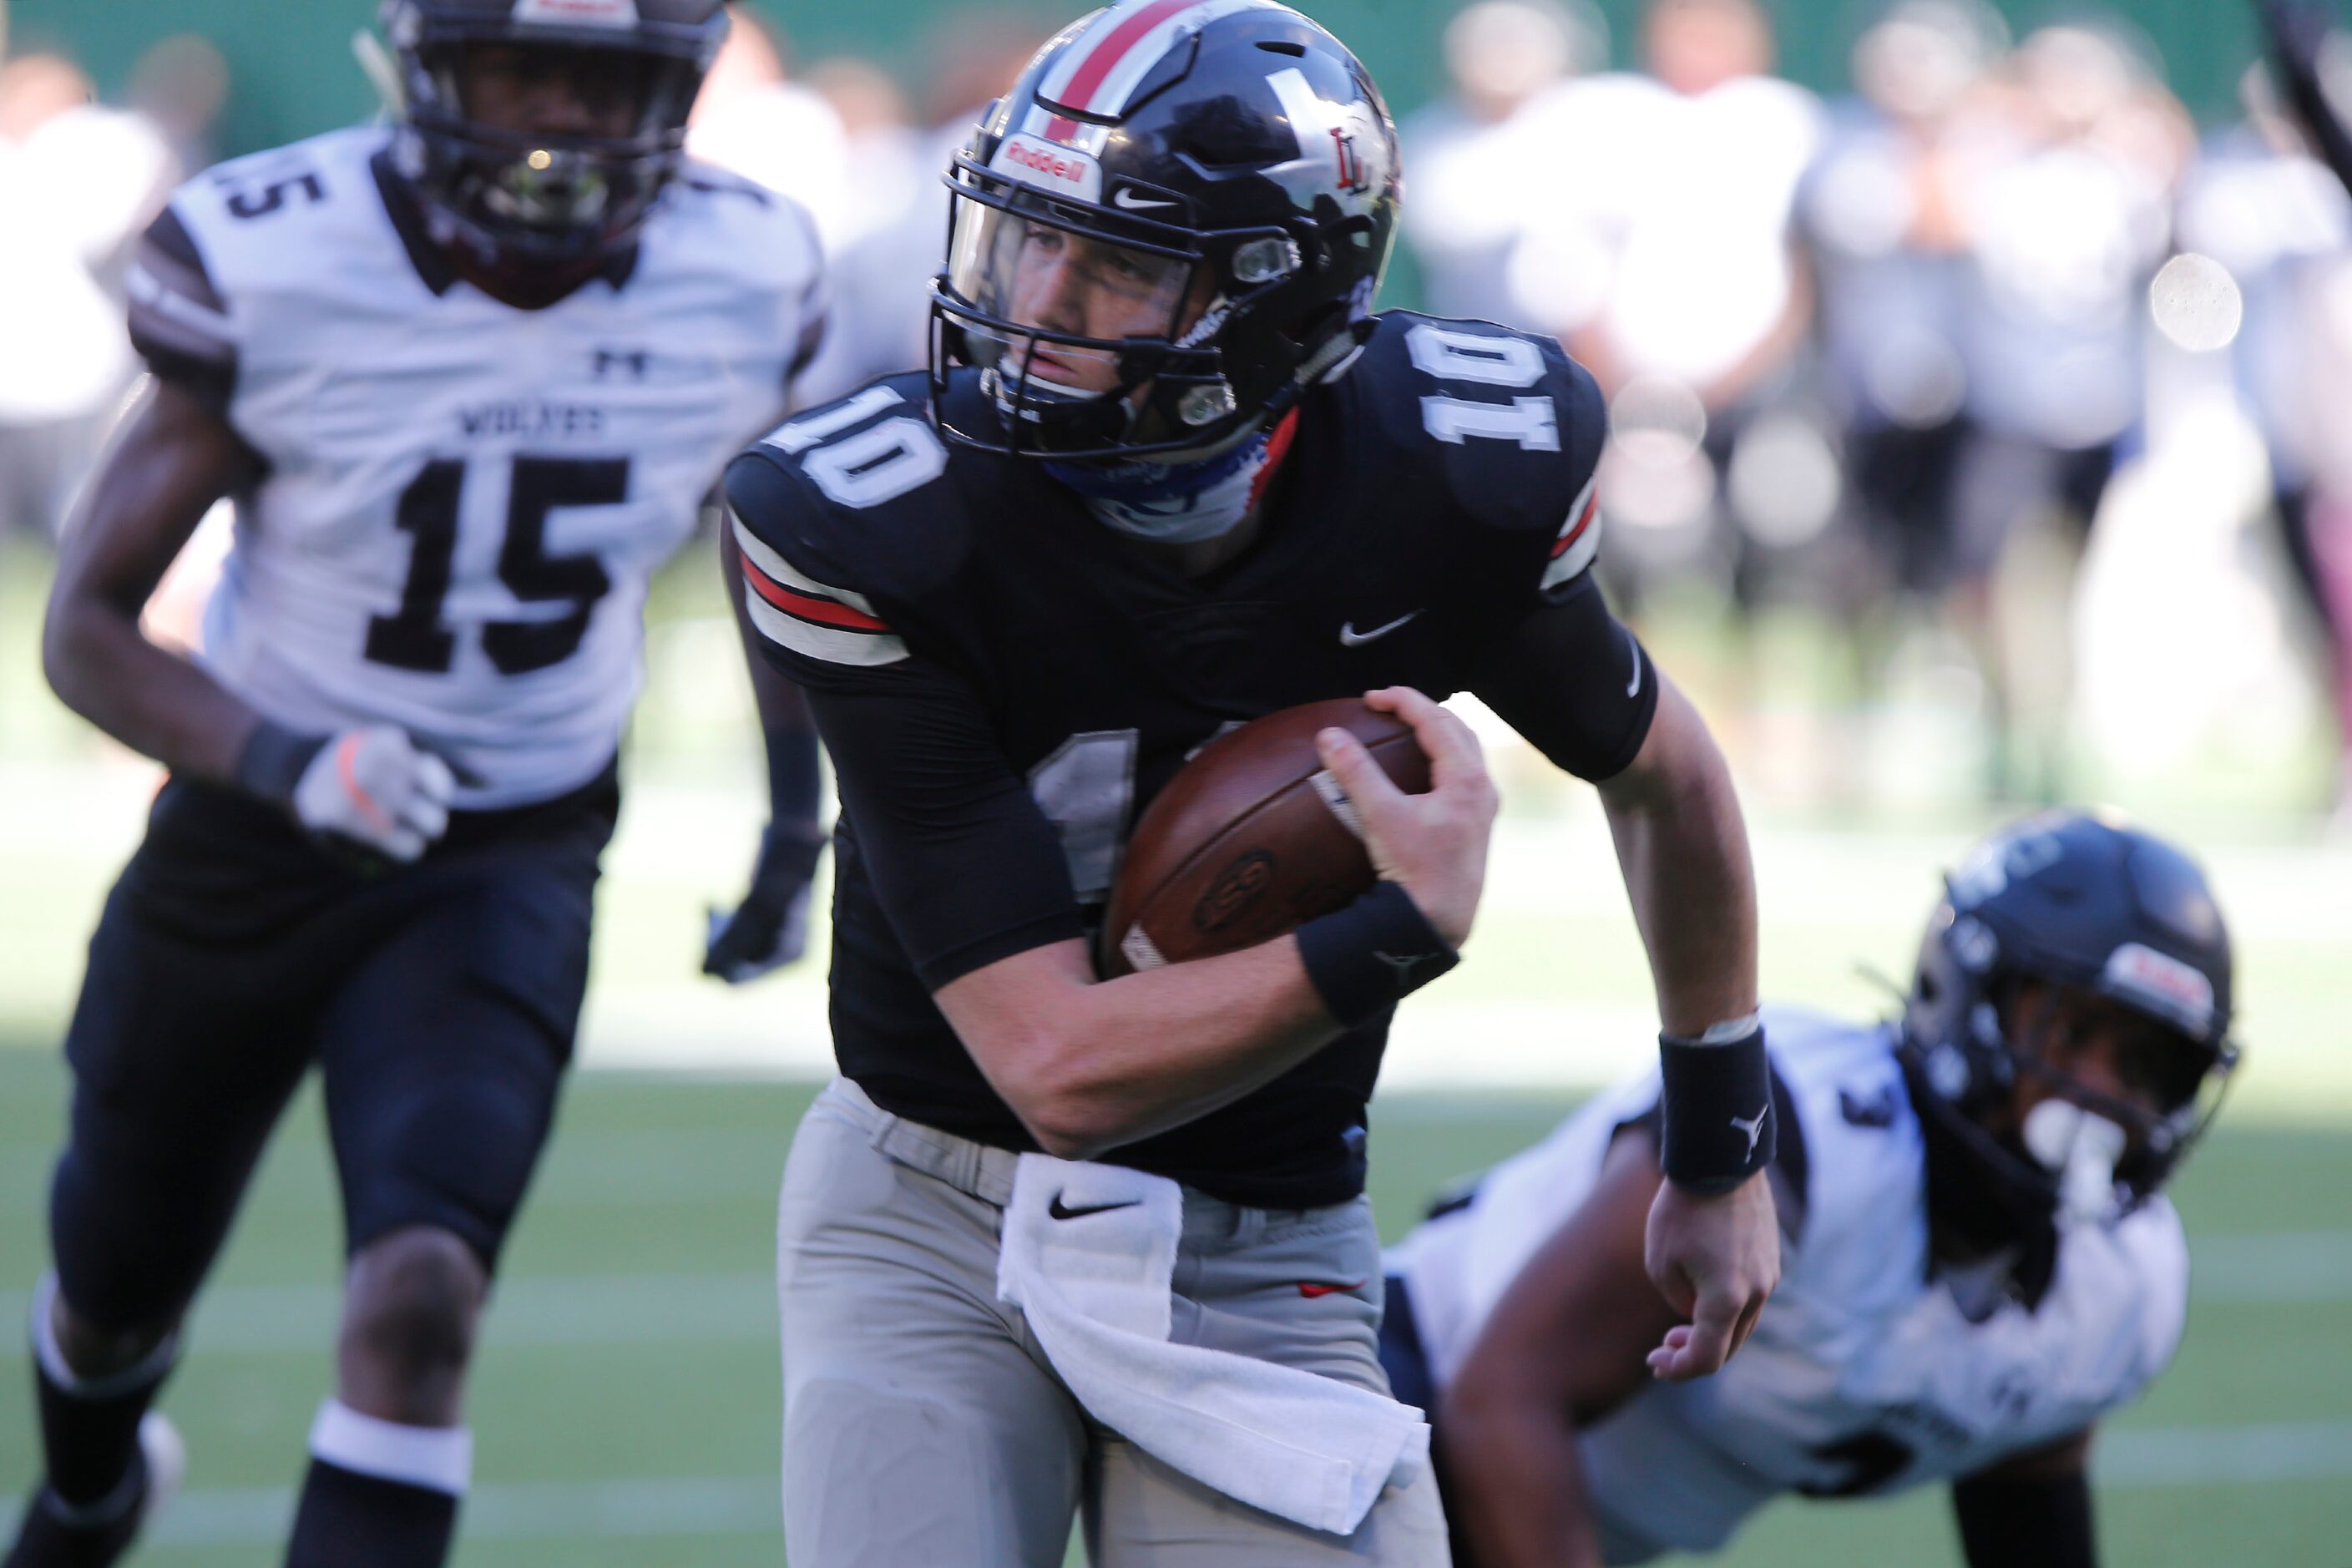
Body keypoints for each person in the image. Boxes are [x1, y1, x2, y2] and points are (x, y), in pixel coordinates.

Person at [723, 2, 1779, 1561]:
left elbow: (1669, 780)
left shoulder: (1455, 472)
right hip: (930, 1211)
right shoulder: (872, 521)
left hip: (1257, 1229)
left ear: (1286, 305)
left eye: (1121, 265)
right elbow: (1055, 1066)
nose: (1042, 305)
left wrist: (1718, 1147)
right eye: (1028, 242)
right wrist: (1392, 932)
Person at [6, 2, 826, 1564]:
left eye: (606, 83)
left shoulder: (746, 266)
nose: (560, 126)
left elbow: (773, 554)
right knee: (112, 1295)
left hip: (506, 843)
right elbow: (87, 628)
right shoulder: (285, 258)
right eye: (524, 70)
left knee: (423, 1294)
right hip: (250, 830)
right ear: (430, 71)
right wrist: (287, 758)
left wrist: (794, 823)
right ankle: (94, 1492)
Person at [1381, 810, 2241, 1567]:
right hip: (1394, 1416)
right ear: (1970, 990)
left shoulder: (2119, 1284)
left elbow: (2024, 1481)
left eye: (2144, 1066)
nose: (2100, 1093)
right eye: (2072, 1032)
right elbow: (1503, 1399)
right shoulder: (1804, 1135)